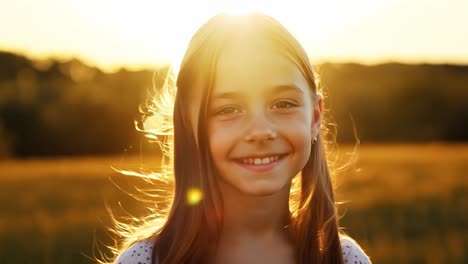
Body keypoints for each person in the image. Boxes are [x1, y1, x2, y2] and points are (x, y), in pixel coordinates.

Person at [107, 12, 371, 264]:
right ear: (188, 124)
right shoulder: (146, 260)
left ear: (315, 118)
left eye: (282, 104)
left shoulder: (344, 258)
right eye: (228, 109)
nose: (260, 131)